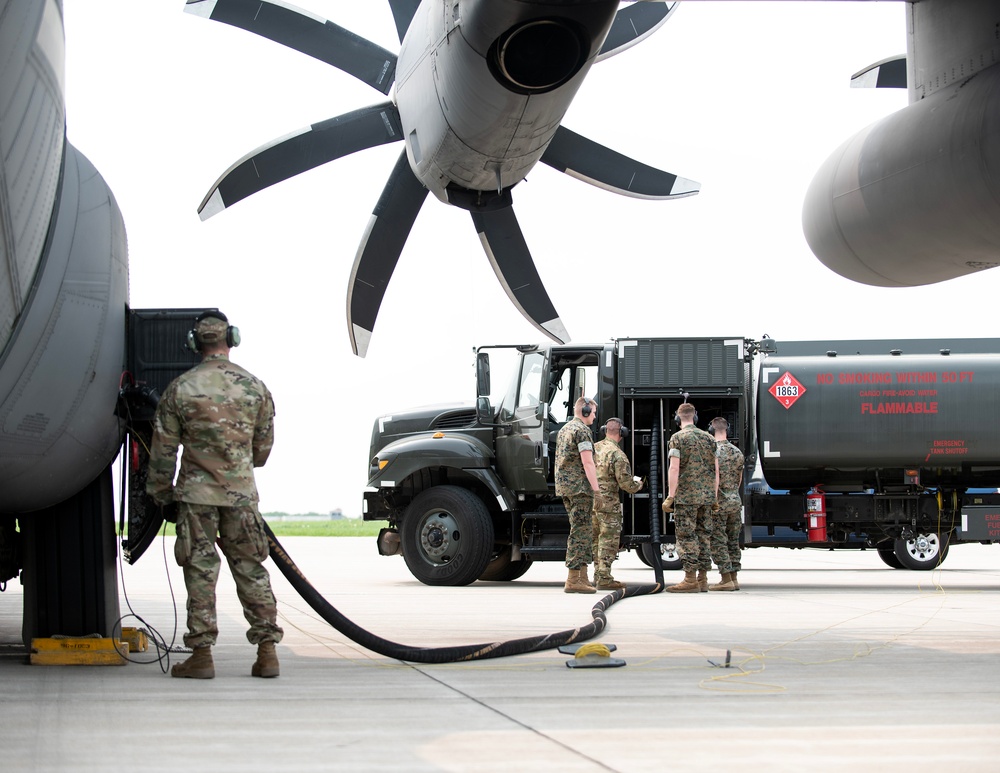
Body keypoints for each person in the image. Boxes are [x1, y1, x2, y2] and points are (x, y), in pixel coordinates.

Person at [146, 311, 283, 679]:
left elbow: (163, 450)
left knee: (200, 572)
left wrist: (161, 493)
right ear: (231, 338)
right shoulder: (254, 387)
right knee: (251, 569)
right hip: (240, 496)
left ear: (195, 343)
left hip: (196, 497)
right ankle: (267, 652)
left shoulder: (181, 388)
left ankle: (202, 656)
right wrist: (237, 465)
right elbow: (263, 450)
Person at [662, 403, 719, 593]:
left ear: (678, 419)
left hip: (687, 497)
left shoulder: (677, 438)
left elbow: (674, 468)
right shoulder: (710, 439)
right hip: (707, 497)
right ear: (695, 418)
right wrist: (715, 496)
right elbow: (716, 471)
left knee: (687, 536)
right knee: (704, 535)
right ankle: (703, 578)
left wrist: (671, 496)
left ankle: (689, 579)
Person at [555, 396, 601, 593]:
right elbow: (587, 462)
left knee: (581, 529)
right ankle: (574, 578)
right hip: (580, 488)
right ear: (585, 411)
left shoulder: (565, 429)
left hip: (566, 487)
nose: (594, 417)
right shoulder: (582, 431)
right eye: (594, 412)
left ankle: (582, 576)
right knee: (581, 531)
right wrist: (597, 490)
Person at [592, 418, 644, 590]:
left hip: (592, 501)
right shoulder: (617, 454)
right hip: (608, 505)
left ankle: (597, 575)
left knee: (596, 540)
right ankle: (605, 579)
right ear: (622, 432)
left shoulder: (594, 448)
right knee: (608, 540)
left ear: (604, 431)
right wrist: (639, 484)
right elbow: (626, 484)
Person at [708, 417, 745, 591]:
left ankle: (725, 578)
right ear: (727, 430)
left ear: (711, 430)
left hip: (719, 503)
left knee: (718, 540)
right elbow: (739, 480)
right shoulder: (737, 452)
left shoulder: (713, 451)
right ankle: (734, 577)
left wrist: (714, 499)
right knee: (733, 540)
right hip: (735, 502)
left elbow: (714, 478)